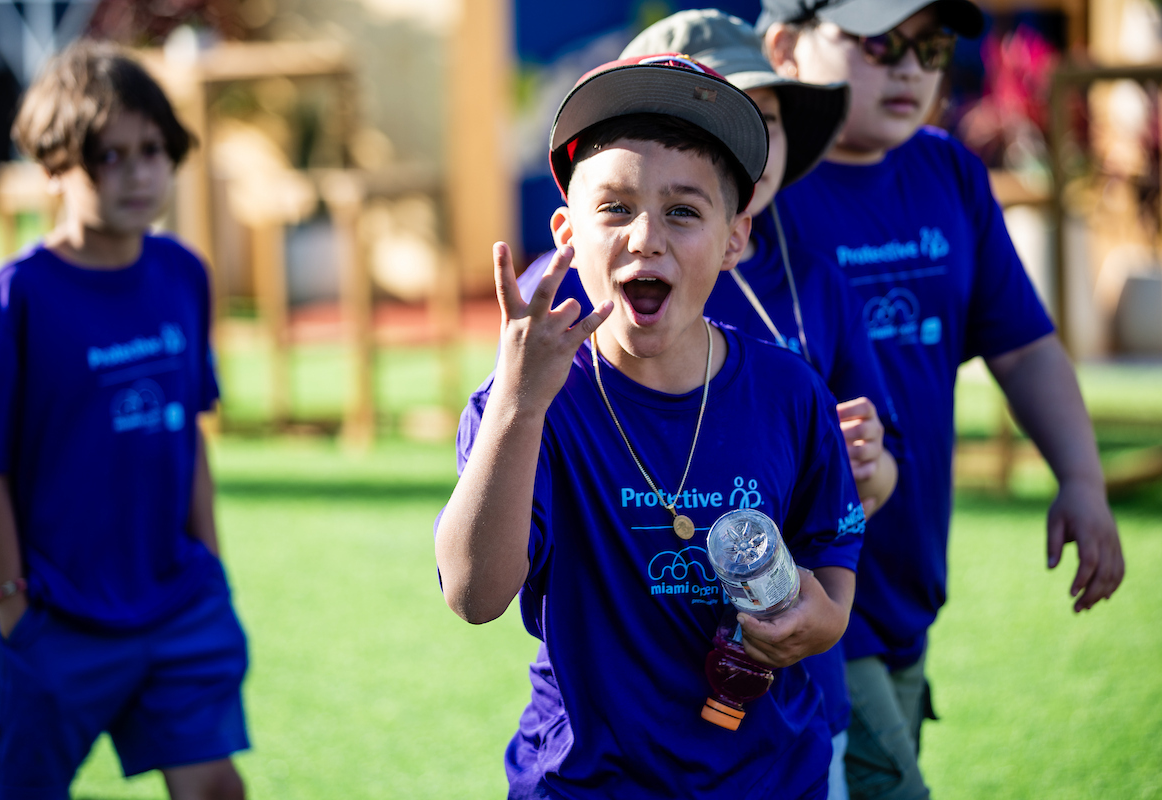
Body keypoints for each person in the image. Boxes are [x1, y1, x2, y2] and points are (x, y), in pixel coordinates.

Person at [436, 54, 865, 798]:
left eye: (683, 211)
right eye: (615, 208)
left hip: (767, 777)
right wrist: (519, 404)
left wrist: (823, 620)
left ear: (736, 238)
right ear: (566, 233)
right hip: (586, 780)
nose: (645, 237)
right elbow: (474, 595)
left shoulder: (789, 392)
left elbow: (833, 546)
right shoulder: (528, 402)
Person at [756, 1, 1126, 797]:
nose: (909, 67)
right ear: (784, 45)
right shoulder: (759, 190)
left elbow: (1023, 349)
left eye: (929, 47)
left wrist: (1083, 480)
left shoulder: (948, 170)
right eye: (878, 42)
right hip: (806, 587)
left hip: (911, 576)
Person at [0, 40, 249, 800]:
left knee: (216, 788)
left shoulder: (183, 274)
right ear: (55, 167)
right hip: (58, 615)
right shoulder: (16, 296)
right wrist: (11, 601)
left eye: (151, 150)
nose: (137, 173)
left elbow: (187, 433)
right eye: (107, 157)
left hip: (178, 604)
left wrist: (210, 570)